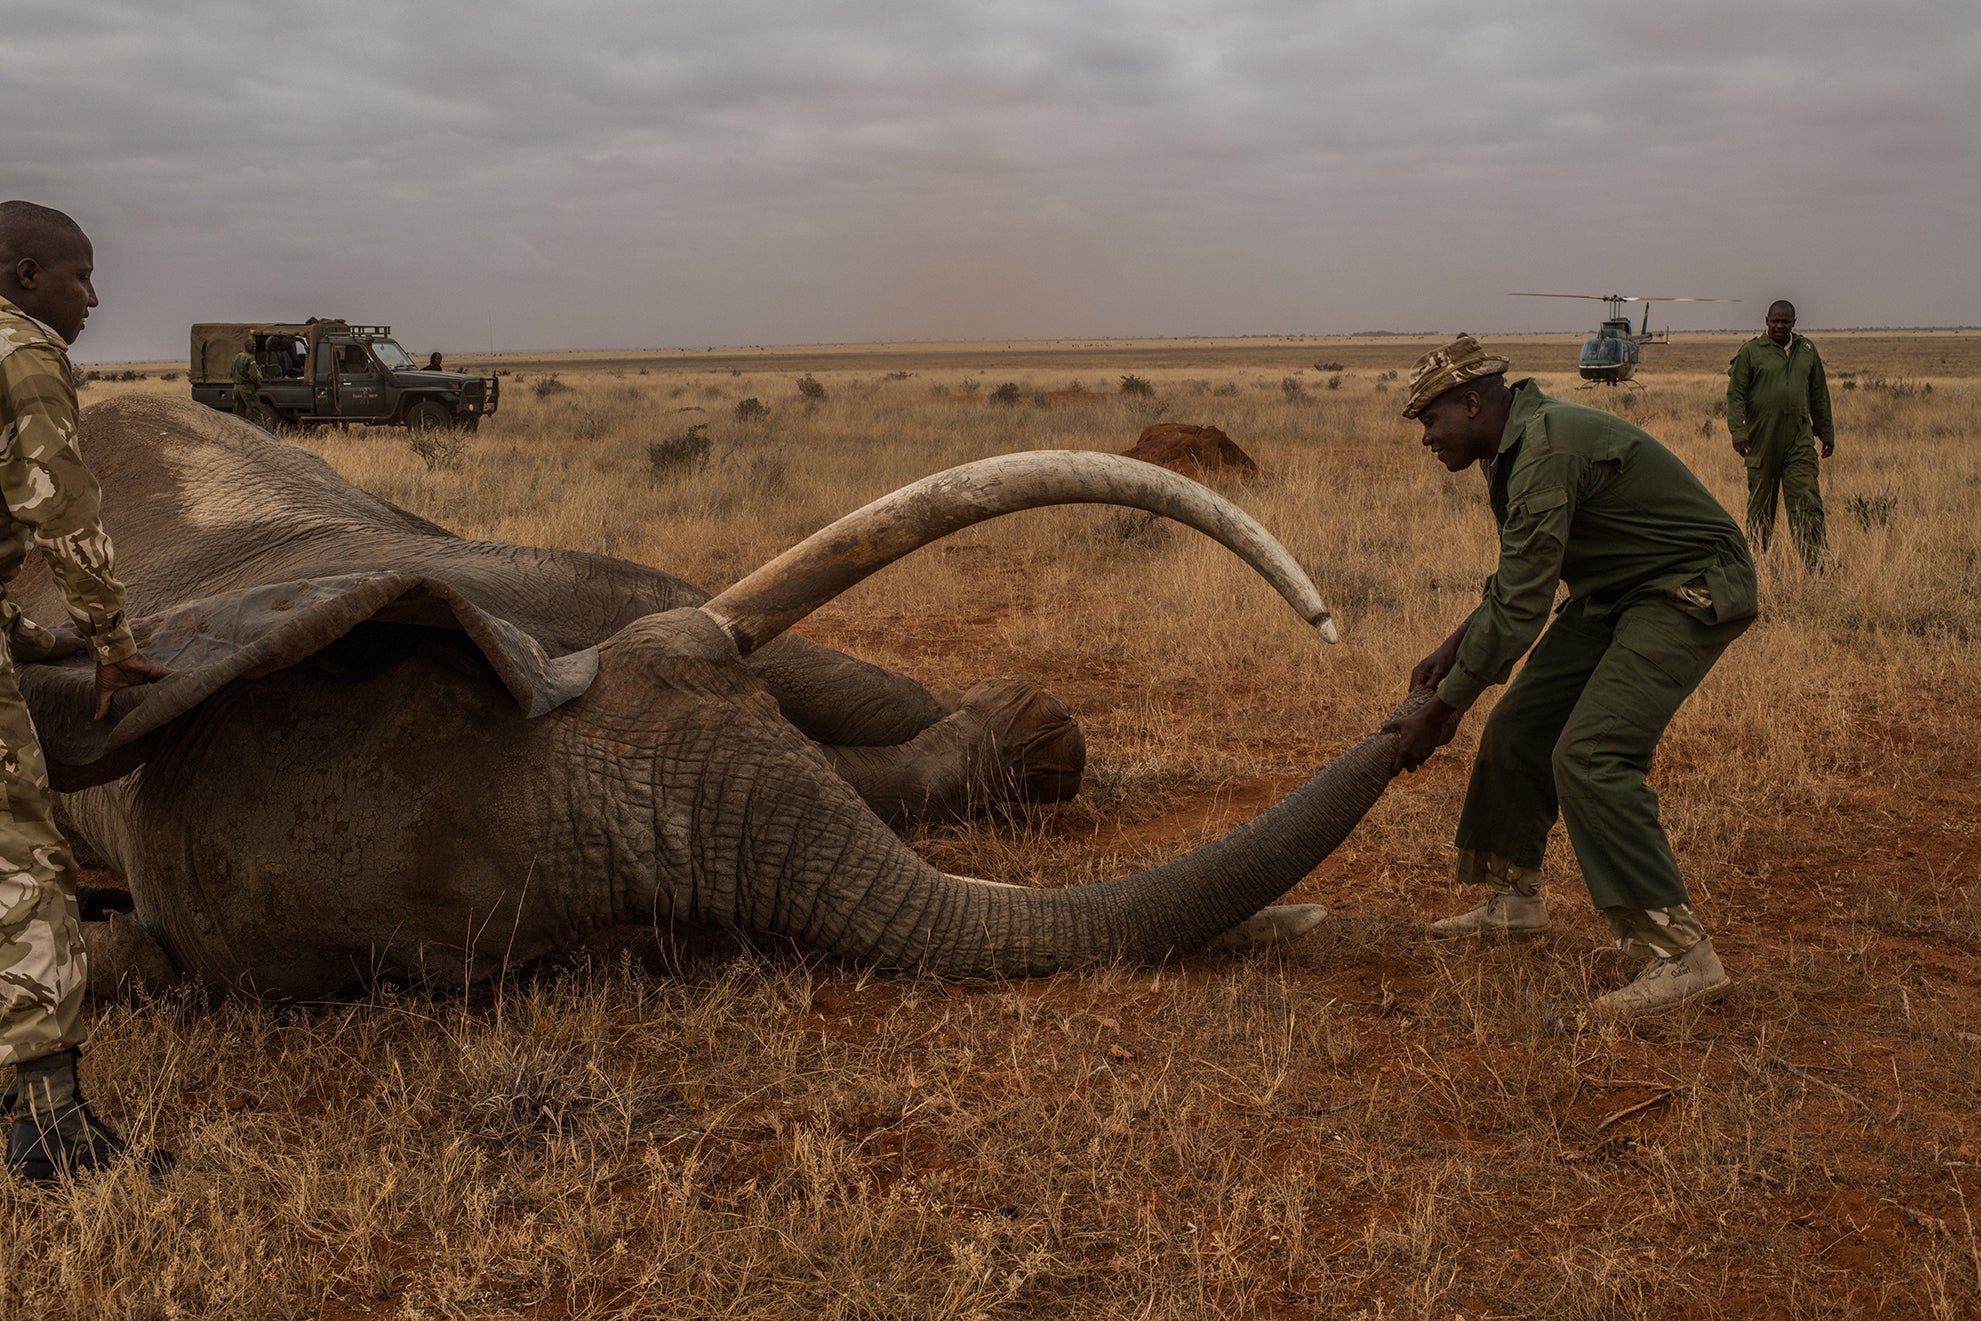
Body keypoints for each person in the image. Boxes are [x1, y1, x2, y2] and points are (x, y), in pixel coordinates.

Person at [1381, 336, 1757, 1022]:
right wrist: (1453, 644)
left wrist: (1442, 710)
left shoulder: (1546, 450)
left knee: (1591, 756)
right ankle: (1514, 897)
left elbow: (1523, 609)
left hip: (1685, 586)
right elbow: (1521, 575)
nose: (1426, 438)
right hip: (1614, 590)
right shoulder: (1516, 449)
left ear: (1471, 402)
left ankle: (1680, 956)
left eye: (1430, 420)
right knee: (1520, 727)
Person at [0, 200, 172, 1179]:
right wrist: (109, 640)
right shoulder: (24, 353)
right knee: (27, 880)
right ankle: (51, 1128)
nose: (93, 296)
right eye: (78, 276)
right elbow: (63, 511)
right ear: (26, 276)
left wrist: (28, 634)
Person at [1727, 301, 1834, 570]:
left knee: (1807, 501)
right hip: (1761, 440)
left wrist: (1826, 432)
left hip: (1799, 440)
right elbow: (1736, 395)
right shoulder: (1751, 352)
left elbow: (1819, 395)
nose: (1779, 326)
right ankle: (1754, 566)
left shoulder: (1807, 350)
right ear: (1766, 320)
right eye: (1775, 321)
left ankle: (1816, 564)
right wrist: (1738, 431)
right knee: (1760, 506)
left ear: (1794, 322)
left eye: (1785, 322)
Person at [229, 337, 263, 425]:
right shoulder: (250, 358)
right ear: (247, 347)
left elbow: (231, 372)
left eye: (255, 347)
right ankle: (261, 432)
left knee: (238, 413)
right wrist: (257, 384)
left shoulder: (237, 356)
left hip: (236, 387)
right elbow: (253, 375)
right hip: (246, 387)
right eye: (252, 347)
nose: (254, 349)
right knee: (256, 412)